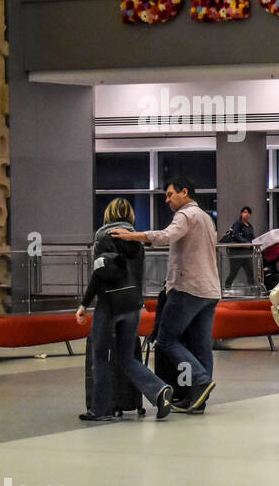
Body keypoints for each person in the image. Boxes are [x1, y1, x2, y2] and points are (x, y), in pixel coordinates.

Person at [111, 176, 221, 413]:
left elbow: (166, 236)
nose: (167, 200)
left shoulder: (185, 215)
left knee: (167, 339)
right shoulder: (205, 218)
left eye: (170, 194)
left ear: (184, 192)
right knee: (202, 346)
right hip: (210, 290)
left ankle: (200, 381)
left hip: (187, 288)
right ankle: (198, 399)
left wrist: (134, 236)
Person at [76, 198, 174, 421]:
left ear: (108, 214)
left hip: (109, 305)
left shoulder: (103, 237)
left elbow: (98, 274)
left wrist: (84, 304)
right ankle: (158, 390)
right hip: (132, 304)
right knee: (126, 356)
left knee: (100, 357)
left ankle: (100, 410)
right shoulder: (136, 239)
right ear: (130, 215)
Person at [222, 205, 257, 289]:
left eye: (248, 213)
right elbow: (236, 235)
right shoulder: (238, 223)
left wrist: (254, 242)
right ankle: (226, 288)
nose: (246, 214)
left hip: (247, 253)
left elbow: (252, 237)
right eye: (244, 212)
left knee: (250, 273)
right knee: (233, 272)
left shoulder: (249, 226)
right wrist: (246, 243)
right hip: (237, 253)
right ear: (241, 213)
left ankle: (252, 290)